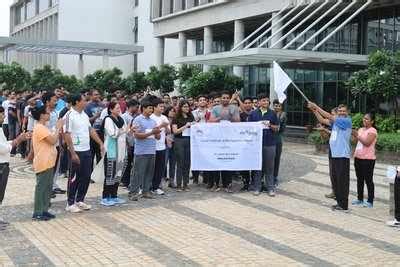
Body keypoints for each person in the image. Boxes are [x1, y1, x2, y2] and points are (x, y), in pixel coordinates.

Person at [64, 94, 104, 213]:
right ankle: (70, 202)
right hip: (75, 150)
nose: (86, 102)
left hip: (86, 149)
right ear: (77, 102)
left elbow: (90, 130)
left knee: (86, 176)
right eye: (84, 100)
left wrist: (100, 142)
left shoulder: (84, 115)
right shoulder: (69, 115)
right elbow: (66, 134)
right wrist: (73, 152)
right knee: (74, 177)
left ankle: (80, 199)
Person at [308, 102, 352, 212]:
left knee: (342, 180)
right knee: (335, 179)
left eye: (343, 111)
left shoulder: (346, 121)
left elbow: (328, 116)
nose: (341, 113)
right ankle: (339, 202)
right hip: (334, 154)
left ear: (347, 112)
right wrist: (314, 111)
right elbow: (323, 120)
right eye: (340, 111)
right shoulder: (336, 122)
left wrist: (316, 106)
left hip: (342, 155)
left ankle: (343, 205)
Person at [31, 105, 63, 221]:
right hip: (43, 161)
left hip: (48, 161)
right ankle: (38, 212)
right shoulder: (39, 128)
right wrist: (58, 128)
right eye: (47, 113)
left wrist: (55, 129)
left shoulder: (44, 127)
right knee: (41, 187)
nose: (49, 115)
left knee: (48, 187)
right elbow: (53, 140)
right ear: (42, 115)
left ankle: (44, 210)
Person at [0, 107, 29, 228]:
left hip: (4, 165)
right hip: (1, 165)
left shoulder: (0, 129)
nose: (3, 117)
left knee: (1, 194)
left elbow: (6, 144)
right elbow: (4, 149)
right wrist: (18, 140)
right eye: (1, 115)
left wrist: (15, 140)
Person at [129, 100, 161, 201]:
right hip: (141, 151)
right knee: (138, 172)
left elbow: (158, 137)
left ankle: (146, 191)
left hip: (151, 151)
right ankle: (133, 192)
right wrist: (152, 132)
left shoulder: (153, 121)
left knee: (149, 172)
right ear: (143, 108)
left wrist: (156, 132)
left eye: (152, 108)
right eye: (149, 108)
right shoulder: (137, 120)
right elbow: (137, 135)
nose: (151, 110)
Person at [248, 94, 279, 196]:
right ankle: (257, 187)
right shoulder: (253, 114)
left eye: (267, 101)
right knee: (257, 167)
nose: (266, 102)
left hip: (270, 143)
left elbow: (277, 128)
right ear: (259, 102)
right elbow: (249, 128)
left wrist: (270, 125)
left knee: (269, 167)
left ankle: (270, 188)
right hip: (256, 144)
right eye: (263, 100)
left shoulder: (273, 113)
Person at [209, 91, 240, 193]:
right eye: (224, 97)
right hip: (217, 138)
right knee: (216, 160)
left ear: (229, 98)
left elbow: (238, 122)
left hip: (229, 139)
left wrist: (230, 116)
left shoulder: (234, 108)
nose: (225, 99)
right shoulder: (215, 108)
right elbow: (210, 121)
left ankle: (228, 184)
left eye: (227, 98)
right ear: (221, 98)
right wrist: (220, 118)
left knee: (227, 160)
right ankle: (216, 184)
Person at [101, 102, 129, 206]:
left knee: (118, 174)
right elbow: (112, 133)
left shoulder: (122, 119)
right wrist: (123, 130)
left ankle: (114, 195)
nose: (119, 109)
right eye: (116, 108)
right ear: (111, 109)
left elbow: (126, 131)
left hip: (122, 150)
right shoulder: (108, 119)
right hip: (112, 151)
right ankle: (105, 197)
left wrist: (129, 130)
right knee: (110, 174)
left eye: (119, 108)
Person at [352, 113, 377, 208]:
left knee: (368, 180)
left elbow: (367, 143)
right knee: (359, 179)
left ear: (372, 121)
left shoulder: (373, 131)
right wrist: (354, 135)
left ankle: (370, 201)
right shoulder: (361, 129)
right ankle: (360, 199)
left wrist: (357, 135)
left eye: (367, 119)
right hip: (358, 157)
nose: (364, 120)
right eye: (364, 118)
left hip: (368, 159)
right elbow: (355, 141)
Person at [172, 100, 194, 192]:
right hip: (179, 141)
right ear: (180, 107)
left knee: (187, 163)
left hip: (189, 141)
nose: (186, 108)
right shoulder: (176, 118)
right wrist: (185, 126)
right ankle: (179, 184)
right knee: (180, 162)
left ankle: (186, 184)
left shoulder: (191, 117)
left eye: (187, 106)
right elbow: (175, 131)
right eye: (184, 106)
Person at [150, 98, 170, 195]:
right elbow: (152, 131)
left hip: (162, 146)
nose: (162, 108)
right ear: (154, 107)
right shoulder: (151, 117)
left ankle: (156, 187)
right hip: (152, 146)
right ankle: (147, 186)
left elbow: (169, 131)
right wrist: (162, 125)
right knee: (150, 168)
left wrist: (166, 126)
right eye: (160, 106)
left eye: (163, 106)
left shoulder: (164, 117)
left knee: (160, 168)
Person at [191, 95, 210, 184]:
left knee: (206, 157)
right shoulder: (193, 113)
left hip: (207, 138)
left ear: (206, 102)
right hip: (197, 138)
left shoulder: (211, 112)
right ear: (197, 102)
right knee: (196, 157)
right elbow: (191, 123)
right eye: (200, 100)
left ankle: (206, 178)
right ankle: (195, 177)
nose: (202, 101)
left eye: (204, 100)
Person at [121, 99, 139, 188]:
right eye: (136, 107)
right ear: (131, 107)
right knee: (127, 164)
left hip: (133, 143)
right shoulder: (124, 116)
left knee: (132, 163)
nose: (137, 108)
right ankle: (125, 181)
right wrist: (127, 144)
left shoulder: (133, 116)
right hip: (128, 143)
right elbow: (124, 131)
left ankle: (128, 181)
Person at [85, 89, 105, 167]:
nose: (97, 96)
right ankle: (90, 175)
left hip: (101, 133)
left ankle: (97, 176)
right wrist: (96, 116)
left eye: (98, 94)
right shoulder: (87, 106)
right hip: (91, 133)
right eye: (95, 94)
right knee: (91, 155)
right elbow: (86, 120)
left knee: (100, 154)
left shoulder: (102, 105)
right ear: (90, 96)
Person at [273, 99, 287, 187]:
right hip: (269, 139)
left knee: (276, 159)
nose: (277, 107)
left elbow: (280, 128)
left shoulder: (283, 115)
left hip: (278, 139)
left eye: (279, 106)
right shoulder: (270, 113)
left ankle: (274, 177)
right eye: (275, 105)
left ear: (281, 107)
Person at [164, 106, 177, 188]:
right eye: (171, 111)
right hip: (164, 143)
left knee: (173, 163)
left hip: (174, 142)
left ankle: (172, 180)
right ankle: (161, 180)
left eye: (174, 111)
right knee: (164, 163)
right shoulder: (163, 119)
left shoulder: (176, 121)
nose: (172, 112)